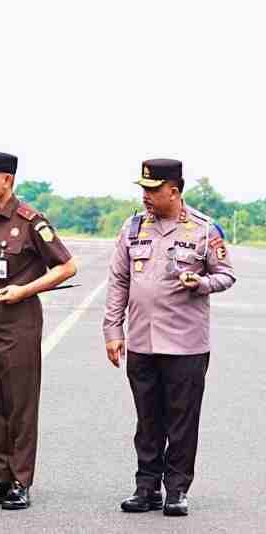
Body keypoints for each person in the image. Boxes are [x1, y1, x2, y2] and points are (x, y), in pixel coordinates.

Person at [104, 159, 235, 516]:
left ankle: (177, 489)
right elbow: (118, 282)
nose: (145, 196)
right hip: (142, 341)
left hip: (186, 344)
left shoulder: (204, 229)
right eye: (143, 189)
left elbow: (225, 274)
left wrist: (203, 283)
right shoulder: (132, 227)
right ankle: (146, 488)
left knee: (181, 420)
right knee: (147, 420)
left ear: (174, 191)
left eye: (153, 189)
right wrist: (113, 331)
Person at [0, 152, 76, 510]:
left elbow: (67, 267)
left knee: (20, 404)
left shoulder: (30, 221)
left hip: (17, 320)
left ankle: (20, 481)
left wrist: (25, 290)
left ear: (7, 180)